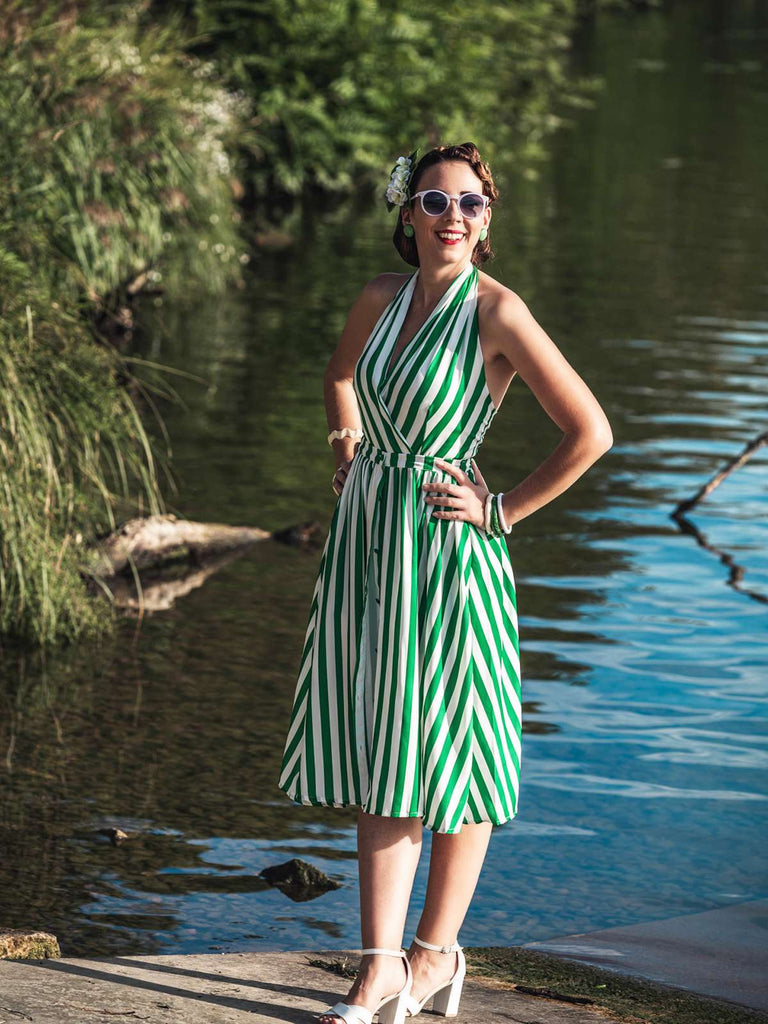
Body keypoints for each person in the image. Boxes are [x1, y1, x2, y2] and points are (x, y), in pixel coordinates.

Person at [277, 142, 613, 1024]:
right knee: (388, 751)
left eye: (471, 203)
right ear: (407, 214)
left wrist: (500, 510)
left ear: (489, 218)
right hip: (369, 551)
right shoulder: (380, 297)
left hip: (450, 554)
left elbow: (590, 432)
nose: (452, 216)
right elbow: (340, 376)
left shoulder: (499, 313)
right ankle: (381, 965)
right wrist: (346, 448)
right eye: (434, 200)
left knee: (454, 758)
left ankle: (434, 956)